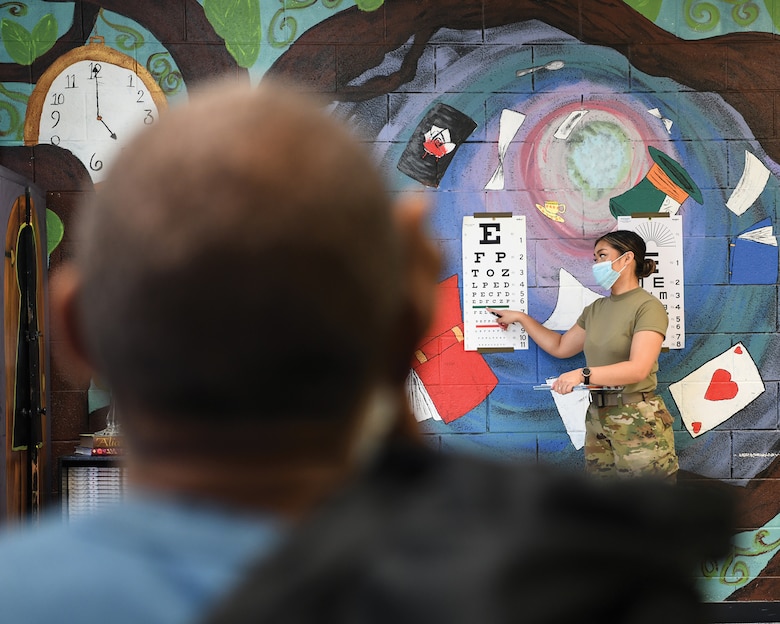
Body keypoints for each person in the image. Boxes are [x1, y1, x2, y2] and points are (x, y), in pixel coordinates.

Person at [0, 81, 731, 624]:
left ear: (74, 330)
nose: (598, 261)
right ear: (414, 301)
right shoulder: (581, 585)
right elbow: (564, 343)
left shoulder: (24, 597)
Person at [489, 230, 678, 481]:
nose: (597, 264)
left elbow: (638, 369)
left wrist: (583, 374)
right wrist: (522, 318)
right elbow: (560, 346)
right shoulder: (596, 309)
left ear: (626, 259)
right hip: (598, 416)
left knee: (648, 507)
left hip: (637, 416)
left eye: (602, 256)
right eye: (595, 258)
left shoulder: (647, 307)